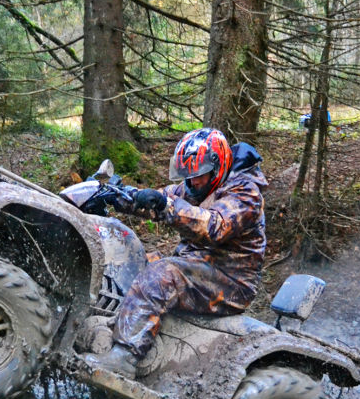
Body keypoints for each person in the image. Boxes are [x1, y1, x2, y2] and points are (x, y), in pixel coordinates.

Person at [82, 128, 268, 378]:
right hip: (198, 269)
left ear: (218, 166)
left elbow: (213, 226)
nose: (193, 182)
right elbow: (159, 200)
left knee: (163, 274)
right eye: (188, 176)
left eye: (199, 175)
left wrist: (165, 204)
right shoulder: (195, 187)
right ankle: (103, 324)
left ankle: (124, 356)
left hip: (231, 281)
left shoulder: (246, 193)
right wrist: (119, 197)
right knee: (134, 260)